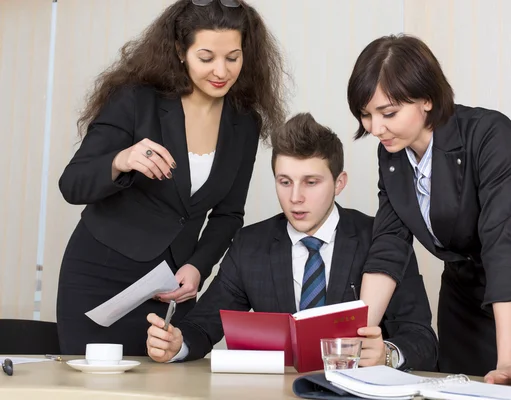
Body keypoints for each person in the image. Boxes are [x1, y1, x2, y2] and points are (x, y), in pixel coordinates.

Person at [56, 0, 286, 356]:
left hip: (169, 290)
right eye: (206, 58)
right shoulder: (136, 101)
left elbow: (228, 215)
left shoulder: (245, 123)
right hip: (99, 279)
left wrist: (197, 266)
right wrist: (122, 159)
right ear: (181, 51)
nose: (221, 71)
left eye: (233, 57)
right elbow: (72, 183)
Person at [346, 34, 511, 390]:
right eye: (365, 115)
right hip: (462, 300)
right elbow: (389, 245)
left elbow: (504, 245)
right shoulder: (391, 154)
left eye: (388, 113)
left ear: (427, 100)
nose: (375, 129)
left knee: (504, 391)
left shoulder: (490, 135)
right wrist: (354, 341)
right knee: (450, 390)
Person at [145, 113, 438, 371]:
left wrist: (386, 354)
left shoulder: (382, 239)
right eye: (284, 182)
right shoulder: (250, 245)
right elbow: (203, 324)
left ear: (339, 183)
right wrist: (176, 345)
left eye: (311, 182)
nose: (295, 197)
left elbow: (421, 338)